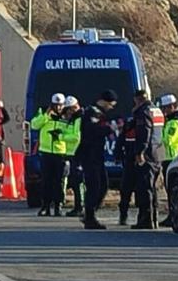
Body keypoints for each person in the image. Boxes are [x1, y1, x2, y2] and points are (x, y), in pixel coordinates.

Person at [77, 91, 118, 230]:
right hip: (89, 154)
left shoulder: (98, 113)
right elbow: (91, 130)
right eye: (110, 105)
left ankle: (90, 212)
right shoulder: (92, 113)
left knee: (103, 185)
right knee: (94, 186)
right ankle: (89, 217)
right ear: (104, 101)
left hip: (97, 154)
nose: (111, 108)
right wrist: (108, 129)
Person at [30, 93, 72, 217]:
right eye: (56, 105)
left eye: (60, 105)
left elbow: (72, 132)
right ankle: (45, 206)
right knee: (46, 181)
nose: (58, 108)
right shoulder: (43, 113)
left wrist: (60, 135)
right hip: (46, 152)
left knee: (59, 182)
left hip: (61, 153)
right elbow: (34, 125)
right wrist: (46, 116)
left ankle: (58, 206)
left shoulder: (67, 117)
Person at [123, 89, 159, 230]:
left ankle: (146, 219)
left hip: (147, 154)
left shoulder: (143, 112)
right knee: (152, 188)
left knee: (144, 188)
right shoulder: (156, 110)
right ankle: (153, 218)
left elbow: (145, 133)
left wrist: (140, 152)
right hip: (157, 153)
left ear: (138, 99)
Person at [158, 93, 178, 227]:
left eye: (165, 108)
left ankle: (174, 216)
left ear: (172, 106)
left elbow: (168, 140)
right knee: (171, 190)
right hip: (174, 157)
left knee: (172, 190)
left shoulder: (175, 121)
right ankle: (172, 215)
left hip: (172, 157)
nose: (164, 111)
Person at [62, 96, 85, 217]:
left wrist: (61, 137)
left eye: (69, 109)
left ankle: (79, 206)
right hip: (73, 153)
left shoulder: (78, 119)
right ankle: (79, 206)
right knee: (76, 181)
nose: (68, 112)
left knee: (78, 181)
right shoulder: (76, 118)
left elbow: (76, 137)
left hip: (77, 153)